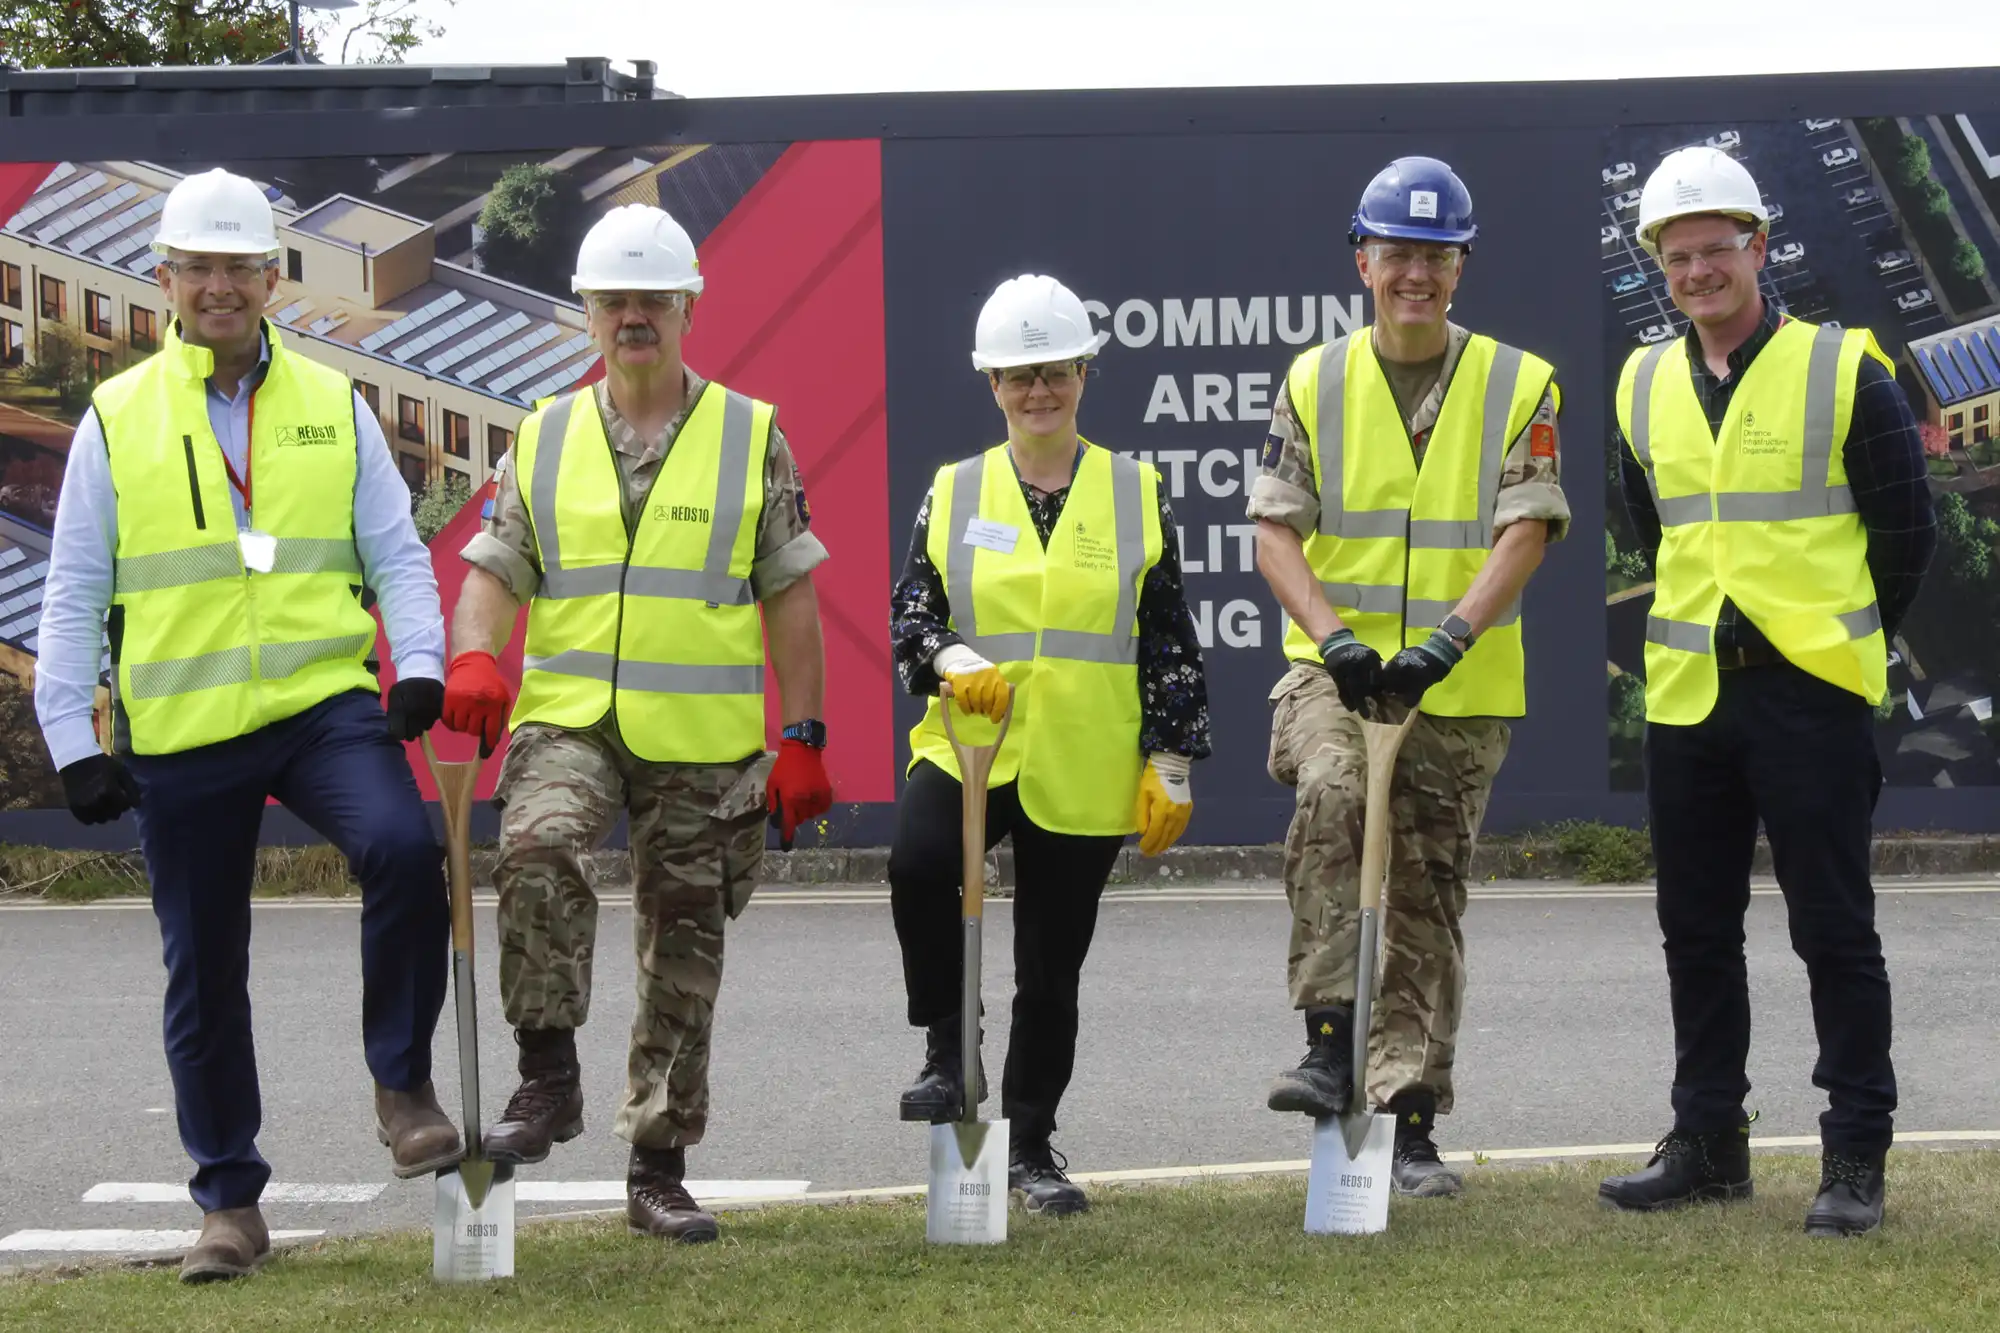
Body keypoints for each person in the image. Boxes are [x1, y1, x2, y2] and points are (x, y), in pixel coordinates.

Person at [34, 168, 455, 1283]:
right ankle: (228, 1201)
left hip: (321, 706)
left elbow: (398, 556)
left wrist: (417, 664)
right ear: (165, 280)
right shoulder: (117, 419)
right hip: (184, 729)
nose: (220, 286)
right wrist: (73, 743)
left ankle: (400, 1084)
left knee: (408, 851)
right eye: (200, 267)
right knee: (203, 969)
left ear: (273, 279)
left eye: (240, 266)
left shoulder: (334, 402)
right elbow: (74, 590)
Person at [441, 203, 833, 1244]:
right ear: (584, 312)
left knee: (684, 945)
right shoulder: (545, 432)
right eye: (612, 299)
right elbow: (491, 572)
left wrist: (802, 737)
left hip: (702, 739)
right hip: (571, 718)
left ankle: (657, 1166)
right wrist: (476, 653)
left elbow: (789, 594)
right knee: (535, 850)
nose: (632, 316)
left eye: (651, 298)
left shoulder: (751, 436)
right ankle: (546, 1074)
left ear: (687, 307)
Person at [1597, 147, 1935, 1237]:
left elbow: (1904, 534)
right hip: (1691, 695)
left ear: (1757, 246)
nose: (1696, 271)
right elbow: (1645, 532)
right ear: (1658, 265)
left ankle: (1852, 1154)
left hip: (1808, 694)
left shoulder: (1845, 369)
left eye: (1714, 249)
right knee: (1693, 930)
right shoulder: (1641, 380)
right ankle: (1707, 1141)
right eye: (1676, 255)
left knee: (1832, 933)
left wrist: (1827, 635)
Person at [1246, 157, 1568, 1197]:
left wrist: (1450, 638)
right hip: (1332, 674)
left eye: (1434, 255)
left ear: (1459, 266)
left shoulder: (1521, 382)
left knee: (1424, 894)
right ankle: (1327, 1039)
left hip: (1454, 686)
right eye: (1396, 254)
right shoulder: (1314, 377)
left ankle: (1408, 1119)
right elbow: (1272, 533)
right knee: (1337, 794)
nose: (1414, 274)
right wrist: (1333, 635)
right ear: (1362, 260)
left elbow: (1526, 527)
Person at [887, 273, 1210, 1216]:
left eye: (1056, 372)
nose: (1038, 392)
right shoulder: (953, 491)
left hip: (1083, 755)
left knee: (1051, 963)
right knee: (917, 863)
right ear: (991, 383)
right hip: (970, 743)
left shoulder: (1134, 488)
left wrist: (1172, 759)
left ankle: (1030, 1145)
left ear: (1083, 373)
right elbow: (913, 610)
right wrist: (950, 653)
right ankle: (949, 1047)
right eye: (1019, 376)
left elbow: (1167, 638)